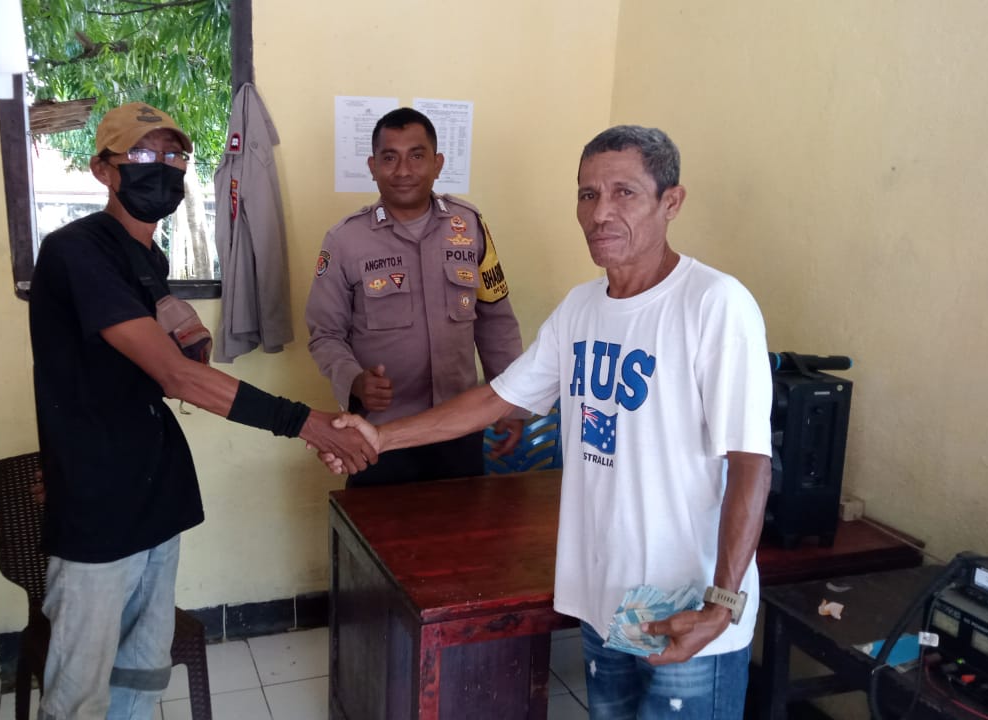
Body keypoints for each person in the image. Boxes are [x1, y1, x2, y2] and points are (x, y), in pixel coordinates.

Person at [325, 125, 773, 719]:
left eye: (624, 193)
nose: (600, 213)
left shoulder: (715, 304)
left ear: (672, 201)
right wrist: (381, 435)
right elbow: (496, 398)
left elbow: (750, 462)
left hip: (688, 607)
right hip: (603, 600)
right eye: (588, 194)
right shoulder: (581, 308)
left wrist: (723, 603)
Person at [28, 101, 375, 720]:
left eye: (174, 155)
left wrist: (181, 334)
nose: (161, 167)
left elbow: (158, 361)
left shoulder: (147, 258)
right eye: (141, 154)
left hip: (153, 491)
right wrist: (308, 422)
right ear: (102, 169)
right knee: (79, 691)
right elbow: (178, 376)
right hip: (97, 503)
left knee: (142, 668)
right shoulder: (75, 250)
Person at [305, 107, 526, 487]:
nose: (403, 170)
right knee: (375, 525)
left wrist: (513, 404)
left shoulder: (469, 226)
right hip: (378, 435)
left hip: (460, 427)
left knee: (463, 523)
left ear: (438, 163)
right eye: (390, 158)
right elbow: (325, 333)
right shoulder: (345, 240)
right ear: (373, 166)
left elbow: (496, 320)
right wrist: (354, 380)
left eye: (417, 156)